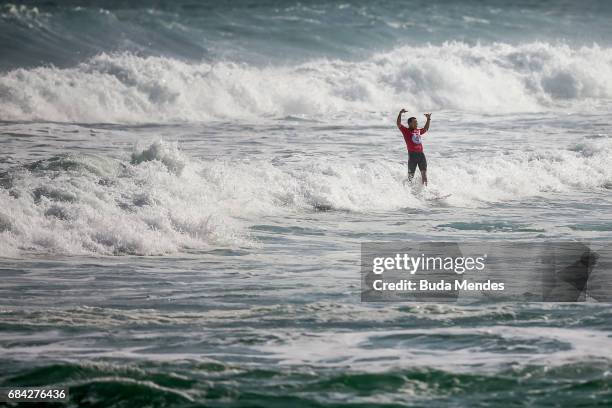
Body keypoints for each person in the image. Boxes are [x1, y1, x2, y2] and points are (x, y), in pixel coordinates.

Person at [396, 109, 431, 185]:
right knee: (410, 177)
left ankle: (425, 192)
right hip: (412, 155)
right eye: (415, 122)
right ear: (410, 124)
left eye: (417, 122)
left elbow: (425, 129)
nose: (417, 123)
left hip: (421, 155)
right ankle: (408, 192)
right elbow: (398, 124)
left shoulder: (418, 131)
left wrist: (428, 119)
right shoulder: (406, 131)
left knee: (424, 175)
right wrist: (400, 113)